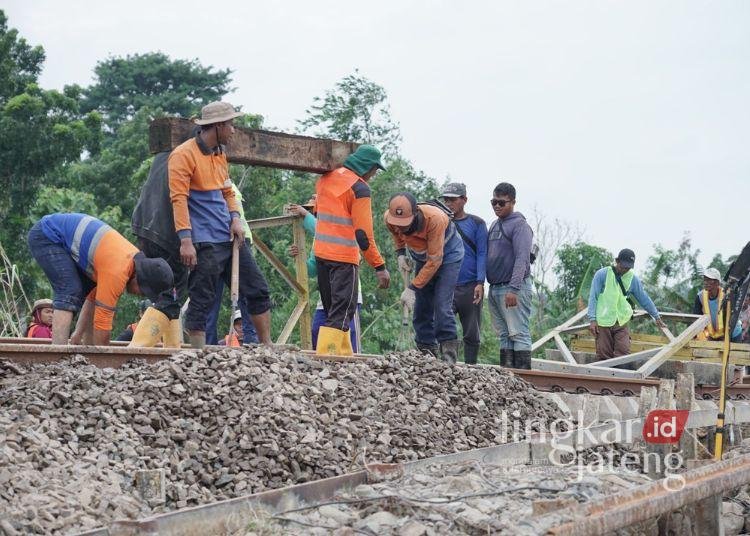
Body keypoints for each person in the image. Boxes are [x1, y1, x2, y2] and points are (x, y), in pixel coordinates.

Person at [169, 101, 272, 348]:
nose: (234, 131)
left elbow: (227, 191)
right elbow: (178, 199)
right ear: (217, 126)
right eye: (230, 125)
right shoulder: (183, 155)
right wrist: (185, 241)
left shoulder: (219, 153)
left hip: (228, 236)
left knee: (257, 289)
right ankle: (198, 354)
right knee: (202, 298)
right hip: (204, 240)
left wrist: (235, 218)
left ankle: (267, 346)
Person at [27, 212, 174, 346]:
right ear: (139, 278)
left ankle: (80, 346)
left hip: (60, 235)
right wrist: (104, 360)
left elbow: (92, 299)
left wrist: (78, 335)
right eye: (142, 292)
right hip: (48, 234)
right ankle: (57, 354)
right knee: (69, 291)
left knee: (85, 290)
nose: (139, 295)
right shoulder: (117, 272)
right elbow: (102, 325)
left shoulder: (129, 262)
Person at [313, 144, 390, 355]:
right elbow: (363, 235)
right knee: (342, 313)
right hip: (344, 259)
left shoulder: (324, 179)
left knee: (333, 312)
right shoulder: (359, 188)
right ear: (368, 166)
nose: (373, 175)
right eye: (374, 170)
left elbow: (319, 213)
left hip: (321, 256)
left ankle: (344, 357)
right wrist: (379, 266)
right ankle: (327, 360)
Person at [384, 192, 464, 363]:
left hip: (448, 257)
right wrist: (400, 254)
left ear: (415, 214)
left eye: (404, 224)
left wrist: (412, 288)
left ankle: (449, 357)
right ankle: (426, 352)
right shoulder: (389, 218)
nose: (400, 228)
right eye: (396, 224)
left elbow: (435, 261)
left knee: (442, 305)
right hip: (422, 257)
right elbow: (396, 235)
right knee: (421, 307)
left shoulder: (435, 219)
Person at [287, 200, 362, 352]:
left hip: (346, 293)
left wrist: (305, 215)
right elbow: (312, 269)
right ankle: (326, 363)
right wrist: (298, 257)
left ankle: (352, 366)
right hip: (327, 295)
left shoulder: (337, 227)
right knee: (318, 331)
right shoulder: (318, 239)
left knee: (347, 332)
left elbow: (321, 229)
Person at [486, 182, 534, 369]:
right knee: (505, 334)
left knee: (519, 333)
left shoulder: (519, 225)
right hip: (496, 287)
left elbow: (522, 258)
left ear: (512, 202)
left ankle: (523, 378)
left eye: (501, 203)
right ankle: (508, 379)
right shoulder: (494, 225)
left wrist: (513, 288)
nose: (497, 206)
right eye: (494, 202)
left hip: (513, 287)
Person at [205, 181, 259, 345]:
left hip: (237, 239)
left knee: (245, 293)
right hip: (218, 240)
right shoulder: (209, 182)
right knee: (211, 295)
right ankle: (208, 343)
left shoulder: (223, 184)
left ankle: (250, 340)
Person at [588, 248, 666, 359]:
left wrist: (656, 316)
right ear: (617, 261)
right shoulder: (602, 274)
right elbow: (593, 297)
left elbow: (644, 298)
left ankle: (621, 374)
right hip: (603, 321)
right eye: (623, 266)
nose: (625, 270)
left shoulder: (632, 278)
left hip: (621, 320)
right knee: (604, 354)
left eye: (628, 268)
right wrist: (592, 320)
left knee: (623, 353)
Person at [440, 182, 487, 364]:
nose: (449, 203)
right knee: (443, 326)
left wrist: (480, 282)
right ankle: (446, 366)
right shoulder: (441, 222)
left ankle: (471, 367)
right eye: (446, 199)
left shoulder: (477, 223)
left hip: (470, 285)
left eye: (453, 199)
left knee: (472, 331)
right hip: (446, 285)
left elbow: (482, 253)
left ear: (464, 200)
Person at [693, 267, 742, 342]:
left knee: (734, 353)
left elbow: (730, 318)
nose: (706, 282)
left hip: (732, 333)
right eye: (705, 279)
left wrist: (724, 338)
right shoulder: (700, 297)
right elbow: (696, 319)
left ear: (717, 283)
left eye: (709, 280)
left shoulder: (726, 296)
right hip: (713, 334)